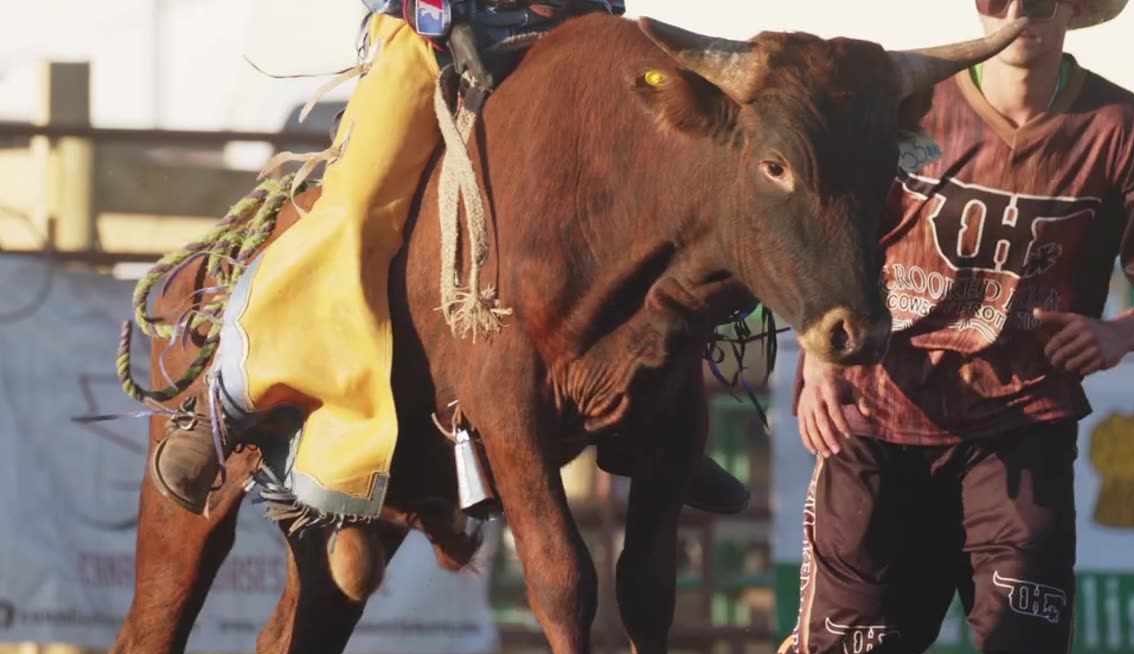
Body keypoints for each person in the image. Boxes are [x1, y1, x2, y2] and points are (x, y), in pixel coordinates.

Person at [736, 1, 1134, 654]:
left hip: (1022, 420)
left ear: (1074, 11)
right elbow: (821, 235)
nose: (1021, 12)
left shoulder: (1120, 128)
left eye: (1043, 0)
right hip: (882, 412)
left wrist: (1122, 333)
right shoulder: (905, 106)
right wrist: (823, 366)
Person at [148, 0, 752, 521]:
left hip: (578, 32)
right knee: (357, 202)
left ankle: (666, 422)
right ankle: (223, 404)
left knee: (679, 175)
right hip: (428, 36)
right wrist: (440, 15)